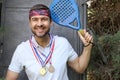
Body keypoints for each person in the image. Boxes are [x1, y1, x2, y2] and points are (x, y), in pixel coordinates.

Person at [6, 4, 93, 80]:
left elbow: (80, 67)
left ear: (51, 22)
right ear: (30, 23)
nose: (39, 24)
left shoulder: (63, 43)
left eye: (44, 19)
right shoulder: (22, 50)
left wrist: (87, 46)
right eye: (35, 19)